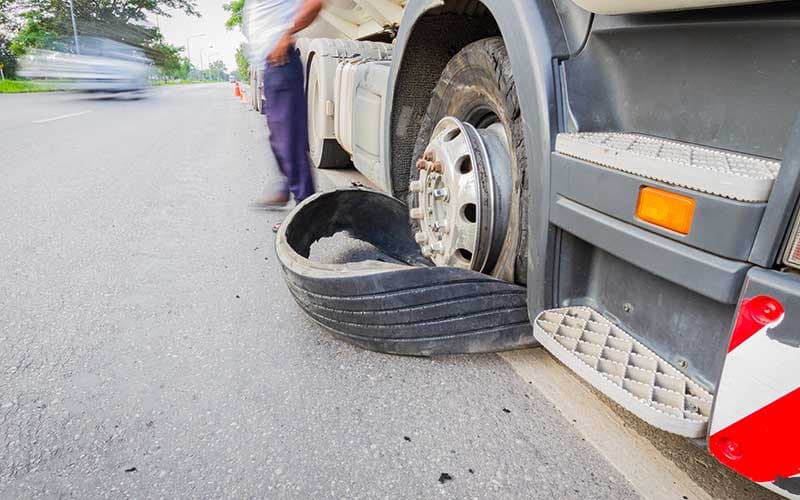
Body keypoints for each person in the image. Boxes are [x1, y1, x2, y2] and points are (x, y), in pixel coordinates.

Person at [248, 0, 325, 210]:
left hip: (281, 61)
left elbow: (315, 3)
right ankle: (286, 189)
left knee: (289, 141)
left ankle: (307, 212)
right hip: (271, 66)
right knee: (279, 137)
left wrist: (285, 34)